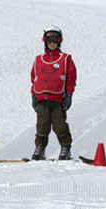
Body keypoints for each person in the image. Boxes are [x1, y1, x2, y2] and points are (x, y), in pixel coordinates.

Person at [30, 25, 76, 160]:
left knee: (59, 124)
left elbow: (71, 78)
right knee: (42, 124)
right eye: (49, 40)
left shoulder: (65, 59)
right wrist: (34, 95)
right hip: (42, 97)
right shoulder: (39, 59)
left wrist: (68, 95)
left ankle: (65, 148)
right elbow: (34, 78)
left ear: (60, 41)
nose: (52, 43)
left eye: (55, 40)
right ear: (44, 40)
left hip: (58, 98)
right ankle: (40, 148)